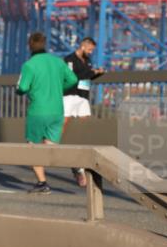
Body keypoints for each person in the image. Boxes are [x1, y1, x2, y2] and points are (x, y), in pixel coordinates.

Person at [17, 32, 78, 194]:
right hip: (57, 111)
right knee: (51, 148)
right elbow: (73, 80)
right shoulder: (58, 62)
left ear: (30, 45)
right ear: (44, 44)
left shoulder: (29, 65)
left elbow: (22, 87)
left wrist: (20, 90)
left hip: (38, 111)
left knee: (33, 149)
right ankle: (76, 163)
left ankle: (42, 183)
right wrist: (60, 89)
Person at [63, 37, 103, 188]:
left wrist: (96, 73)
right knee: (63, 123)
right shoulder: (70, 59)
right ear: (83, 45)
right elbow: (70, 77)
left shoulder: (87, 61)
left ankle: (80, 154)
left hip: (83, 96)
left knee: (84, 126)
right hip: (70, 95)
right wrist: (89, 72)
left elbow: (87, 75)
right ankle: (53, 146)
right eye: (90, 49)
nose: (91, 52)